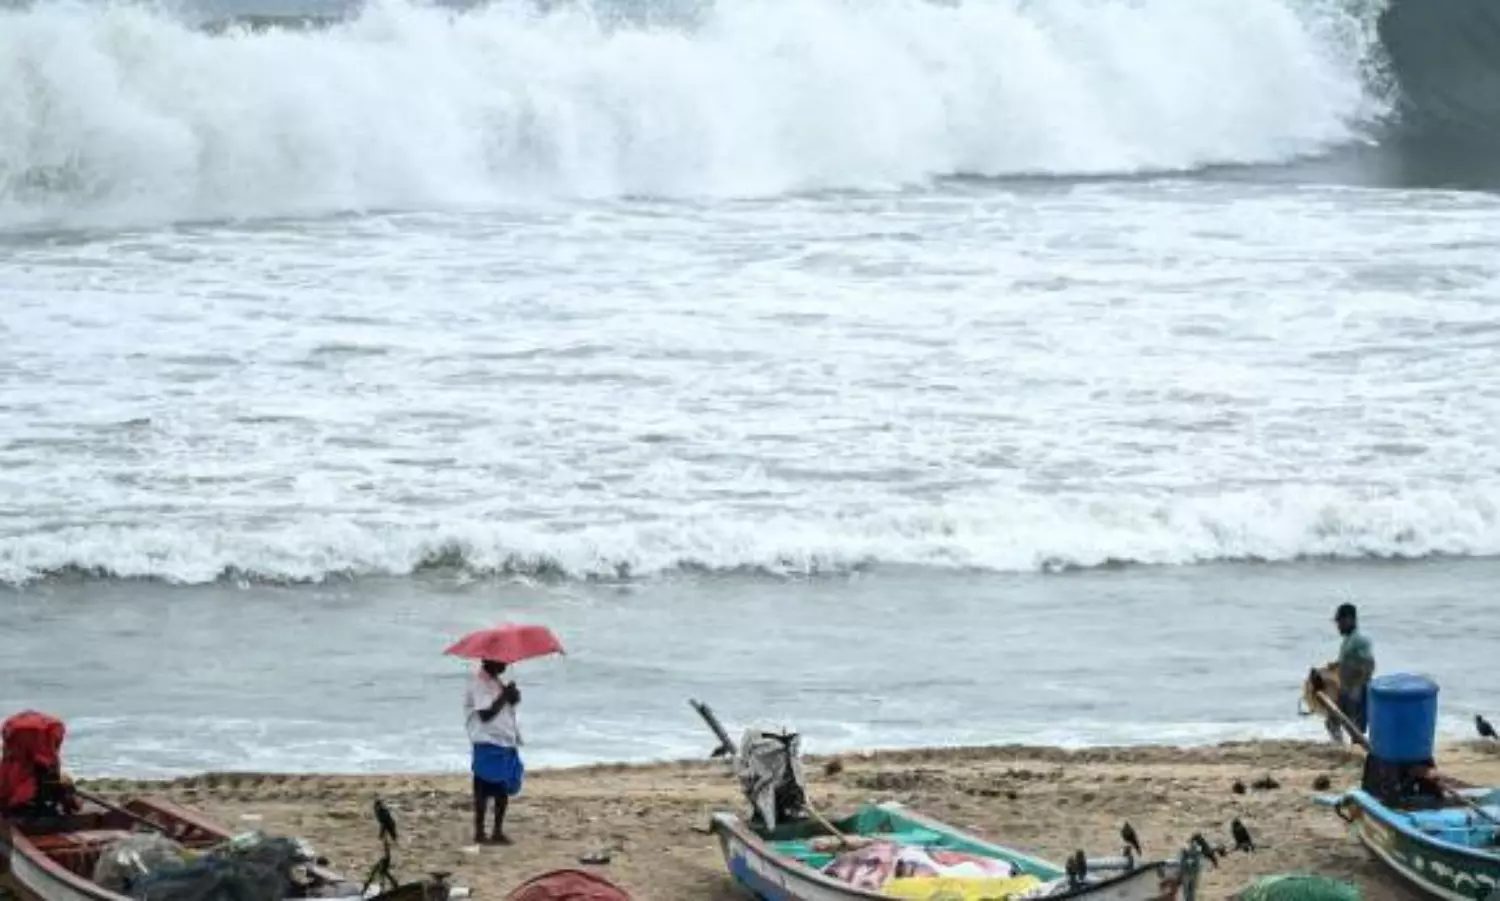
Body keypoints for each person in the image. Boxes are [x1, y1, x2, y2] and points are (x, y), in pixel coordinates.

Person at [465, 658, 524, 845]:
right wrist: (505, 696)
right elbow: (485, 714)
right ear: (488, 661)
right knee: (482, 787)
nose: (505, 664)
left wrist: (512, 697)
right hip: (487, 741)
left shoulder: (496, 682)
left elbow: (505, 708)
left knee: (502, 789)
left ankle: (497, 831)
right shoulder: (479, 683)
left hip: (504, 741)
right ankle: (480, 832)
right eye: (501, 661)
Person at [1333, 602, 1376, 735]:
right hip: (1345, 689)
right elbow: (1348, 662)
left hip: (1357, 691)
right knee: (1333, 722)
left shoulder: (1359, 640)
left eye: (1340, 622)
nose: (1338, 626)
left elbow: (1369, 665)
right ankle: (1341, 749)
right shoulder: (1348, 640)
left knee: (1356, 728)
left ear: (1350, 619)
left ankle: (1353, 751)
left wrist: (1357, 689)